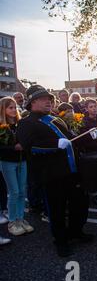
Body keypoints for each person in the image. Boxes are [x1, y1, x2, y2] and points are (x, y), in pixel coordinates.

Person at [17, 85, 93, 257]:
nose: (49, 101)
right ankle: (60, 241)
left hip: (73, 170)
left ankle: (76, 231)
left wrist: (87, 135)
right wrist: (54, 145)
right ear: (33, 102)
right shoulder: (26, 122)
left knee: (79, 204)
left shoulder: (56, 119)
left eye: (49, 98)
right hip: (52, 174)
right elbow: (31, 147)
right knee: (56, 209)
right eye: (44, 98)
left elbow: (72, 139)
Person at [0, 97, 33, 236]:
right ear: (3, 109)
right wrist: (14, 147)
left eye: (14, 107)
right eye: (10, 107)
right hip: (7, 162)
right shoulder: (1, 126)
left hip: (22, 161)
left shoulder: (21, 124)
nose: (13, 110)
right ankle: (12, 221)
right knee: (13, 192)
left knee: (21, 191)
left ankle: (21, 218)